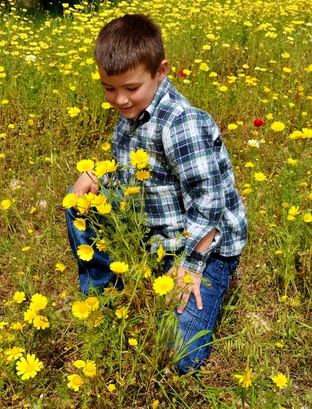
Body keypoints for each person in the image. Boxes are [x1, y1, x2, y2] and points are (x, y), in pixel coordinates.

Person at [65, 14, 248, 374]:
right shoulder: (131, 116)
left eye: (130, 88)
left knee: (179, 356)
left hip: (203, 248)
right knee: (77, 198)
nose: (119, 99)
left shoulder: (181, 122)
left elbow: (209, 202)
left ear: (161, 71)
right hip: (155, 236)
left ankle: (215, 280)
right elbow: (133, 181)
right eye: (108, 88)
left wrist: (190, 268)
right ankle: (105, 292)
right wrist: (96, 177)